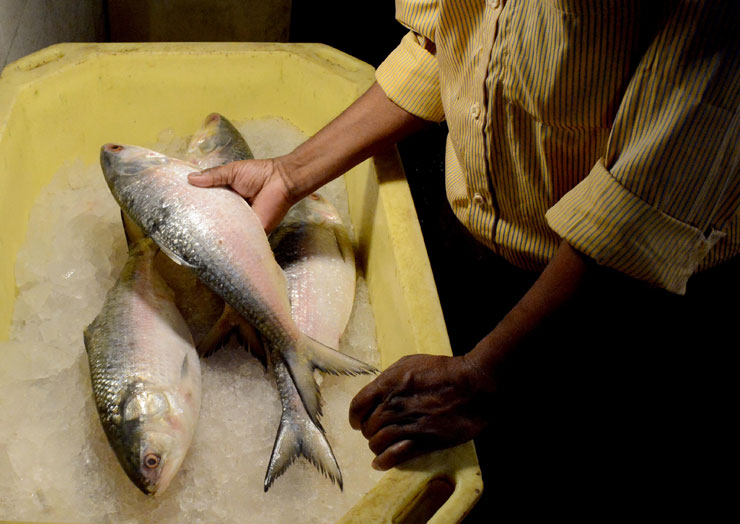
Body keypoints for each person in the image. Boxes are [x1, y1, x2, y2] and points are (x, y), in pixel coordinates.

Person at [189, 1, 739, 517]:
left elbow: (645, 209)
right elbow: (443, 45)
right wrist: (289, 174)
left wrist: (484, 375)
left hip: (632, 302)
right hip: (483, 243)